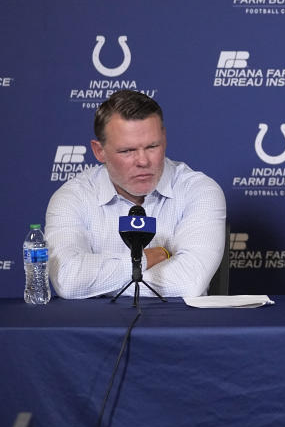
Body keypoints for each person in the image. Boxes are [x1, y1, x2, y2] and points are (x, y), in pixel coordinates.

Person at [46, 90, 226, 299]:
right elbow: (67, 280)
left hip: (178, 329)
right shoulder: (73, 197)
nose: (143, 161)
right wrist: (147, 259)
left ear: (164, 139)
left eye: (152, 146)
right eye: (127, 151)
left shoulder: (199, 190)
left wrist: (97, 285)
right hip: (97, 329)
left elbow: (188, 284)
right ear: (99, 151)